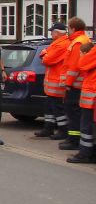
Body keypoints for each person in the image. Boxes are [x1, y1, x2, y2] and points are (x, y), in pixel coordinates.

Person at [59, 17, 91, 151]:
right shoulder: (84, 40)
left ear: (72, 28)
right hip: (80, 85)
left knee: (73, 113)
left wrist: (68, 84)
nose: (68, 31)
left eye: (68, 28)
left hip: (75, 86)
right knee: (77, 114)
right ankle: (73, 139)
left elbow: (73, 67)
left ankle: (73, 140)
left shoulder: (77, 42)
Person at [38, 22, 71, 139]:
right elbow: (45, 55)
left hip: (57, 82)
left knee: (58, 108)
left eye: (52, 31)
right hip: (52, 82)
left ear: (57, 33)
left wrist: (45, 54)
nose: (51, 33)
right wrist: (45, 54)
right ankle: (48, 127)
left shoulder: (61, 45)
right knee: (49, 106)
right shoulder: (57, 43)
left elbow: (47, 59)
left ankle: (63, 130)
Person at [70, 42, 96, 163]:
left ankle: (85, 153)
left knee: (87, 127)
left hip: (91, 97)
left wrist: (85, 55)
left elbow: (82, 64)